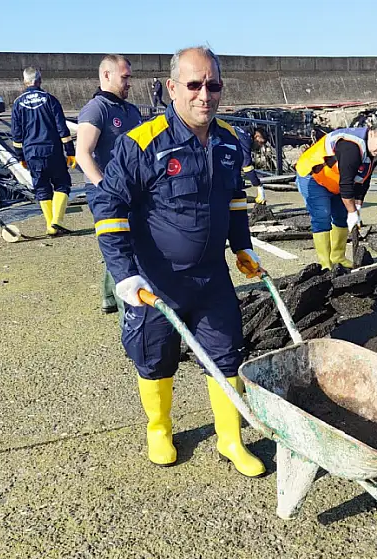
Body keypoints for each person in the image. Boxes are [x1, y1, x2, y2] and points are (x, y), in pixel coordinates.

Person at [91, 46, 265, 477]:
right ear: (172, 88)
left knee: (226, 355)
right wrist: (123, 274)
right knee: (155, 359)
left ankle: (230, 438)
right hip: (155, 282)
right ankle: (160, 428)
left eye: (213, 85)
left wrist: (242, 246)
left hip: (212, 280)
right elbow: (109, 208)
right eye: (194, 84)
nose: (205, 94)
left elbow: (235, 199)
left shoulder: (229, 141)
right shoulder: (141, 143)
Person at [77, 54, 143, 315]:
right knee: (120, 243)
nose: (129, 83)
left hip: (131, 189)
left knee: (124, 242)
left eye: (130, 77)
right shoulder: (96, 109)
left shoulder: (131, 110)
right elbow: (83, 153)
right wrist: (104, 188)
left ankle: (108, 294)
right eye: (124, 77)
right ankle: (127, 311)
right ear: (106, 75)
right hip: (106, 191)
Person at [294, 122, 377, 269]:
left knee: (341, 216)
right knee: (322, 215)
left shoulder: (373, 149)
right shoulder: (351, 147)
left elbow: (363, 180)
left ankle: (337, 257)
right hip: (314, 175)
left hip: (335, 180)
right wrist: (353, 212)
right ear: (372, 133)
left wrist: (357, 207)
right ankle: (325, 264)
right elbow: (346, 186)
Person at [11, 67, 75, 236]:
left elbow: (17, 134)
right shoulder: (50, 99)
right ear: (39, 81)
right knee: (62, 183)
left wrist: (20, 156)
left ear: (25, 82)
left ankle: (49, 224)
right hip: (52, 149)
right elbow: (62, 127)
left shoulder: (18, 103)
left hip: (31, 152)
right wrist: (70, 151)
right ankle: (56, 222)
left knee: (41, 187)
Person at [235, 125, 267, 206]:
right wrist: (258, 185)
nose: (260, 146)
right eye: (261, 142)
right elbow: (247, 166)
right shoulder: (245, 138)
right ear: (257, 136)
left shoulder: (241, 130)